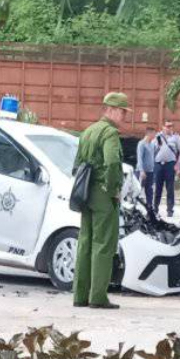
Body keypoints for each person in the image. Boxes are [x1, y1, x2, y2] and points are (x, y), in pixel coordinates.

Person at [73, 92, 130, 310]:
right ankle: (97, 297)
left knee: (85, 242)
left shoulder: (88, 131)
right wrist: (114, 188)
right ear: (111, 110)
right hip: (103, 195)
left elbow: (77, 165)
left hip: (85, 193)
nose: (124, 115)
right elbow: (113, 161)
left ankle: (80, 295)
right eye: (123, 111)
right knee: (103, 244)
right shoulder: (110, 133)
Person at [152, 120, 180, 218]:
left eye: (171, 126)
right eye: (167, 126)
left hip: (170, 164)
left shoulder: (176, 137)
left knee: (170, 188)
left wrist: (178, 164)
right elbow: (152, 149)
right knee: (158, 188)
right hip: (159, 165)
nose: (169, 128)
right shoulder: (158, 136)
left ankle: (170, 210)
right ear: (163, 127)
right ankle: (155, 208)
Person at [135, 126, 157, 211]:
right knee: (138, 189)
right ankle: (136, 206)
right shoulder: (142, 144)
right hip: (142, 171)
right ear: (149, 133)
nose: (155, 135)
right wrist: (141, 170)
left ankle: (149, 207)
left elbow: (153, 156)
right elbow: (139, 158)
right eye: (154, 133)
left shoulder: (152, 144)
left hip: (150, 171)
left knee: (149, 190)